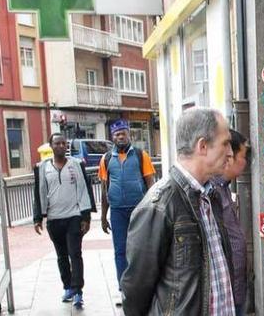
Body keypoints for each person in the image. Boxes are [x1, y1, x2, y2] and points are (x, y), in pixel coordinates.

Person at [121, 108, 235, 316]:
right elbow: (135, 289)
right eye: (225, 143)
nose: (230, 153)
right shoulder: (159, 205)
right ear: (202, 146)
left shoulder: (211, 195)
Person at [32, 133, 95, 308]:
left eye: (63, 143)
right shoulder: (43, 168)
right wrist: (37, 217)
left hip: (74, 217)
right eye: (57, 143)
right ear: (51, 146)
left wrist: (86, 216)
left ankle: (78, 291)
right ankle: (68, 286)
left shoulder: (76, 165)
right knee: (61, 256)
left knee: (75, 253)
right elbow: (38, 193)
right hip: (54, 220)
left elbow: (84, 190)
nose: (61, 146)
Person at [98, 119, 155, 295]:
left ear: (129, 134)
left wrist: (152, 211)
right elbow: (104, 188)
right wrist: (103, 216)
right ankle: (124, 288)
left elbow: (151, 185)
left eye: (123, 133)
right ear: (112, 137)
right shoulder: (106, 159)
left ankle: (141, 285)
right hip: (117, 212)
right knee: (120, 251)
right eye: (117, 134)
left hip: (139, 211)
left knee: (140, 249)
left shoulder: (140, 155)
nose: (120, 137)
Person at [211, 130, 251, 316]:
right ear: (230, 158)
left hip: (236, 286)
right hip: (224, 292)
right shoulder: (210, 193)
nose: (246, 163)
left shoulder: (223, 188)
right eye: (243, 156)